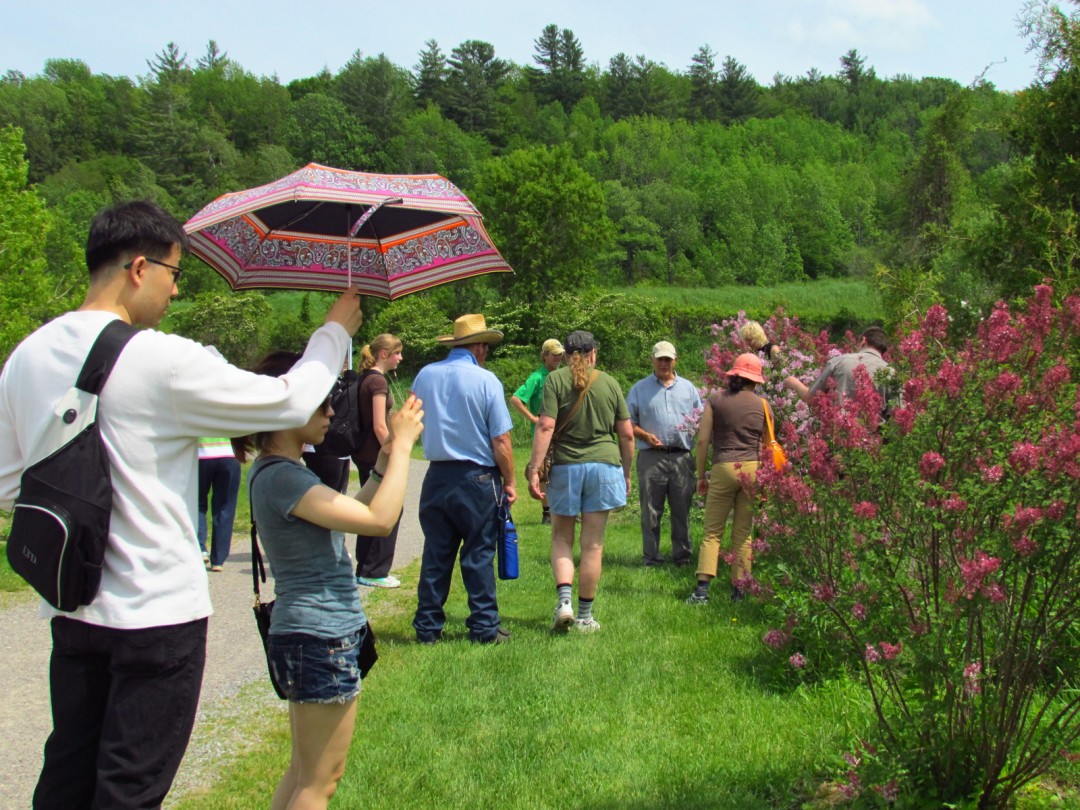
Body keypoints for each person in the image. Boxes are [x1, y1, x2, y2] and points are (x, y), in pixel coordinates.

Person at [0, 200, 363, 809]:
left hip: (73, 609)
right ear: (139, 267)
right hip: (156, 617)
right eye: (174, 275)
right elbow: (286, 403)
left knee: (66, 778)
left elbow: (12, 484)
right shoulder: (160, 358)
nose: (174, 293)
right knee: (130, 789)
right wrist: (334, 331)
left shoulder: (27, 357)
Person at [237, 351, 423, 810]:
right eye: (320, 404)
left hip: (306, 634)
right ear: (286, 409)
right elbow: (379, 521)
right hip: (319, 636)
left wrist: (380, 465)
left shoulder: (280, 472)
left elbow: (350, 514)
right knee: (321, 782)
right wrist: (401, 449)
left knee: (303, 773)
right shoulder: (282, 476)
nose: (331, 412)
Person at [410, 314, 515, 645]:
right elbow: (501, 440)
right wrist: (510, 481)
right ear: (480, 347)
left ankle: (427, 627)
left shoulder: (425, 375)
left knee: (436, 552)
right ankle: (484, 626)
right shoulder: (486, 381)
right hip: (477, 477)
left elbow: (410, 419)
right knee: (479, 552)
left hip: (437, 474)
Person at [526, 330, 634, 633]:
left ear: (567, 354)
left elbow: (546, 425)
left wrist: (535, 468)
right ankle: (585, 616)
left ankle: (564, 603)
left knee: (561, 538)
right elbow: (626, 434)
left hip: (567, 467)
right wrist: (626, 472)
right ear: (593, 354)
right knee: (593, 546)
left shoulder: (554, 380)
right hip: (604, 466)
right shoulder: (610, 382)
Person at [686, 353, 773, 605]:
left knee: (712, 532)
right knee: (743, 533)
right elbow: (769, 446)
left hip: (724, 467)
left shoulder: (716, 400)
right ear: (755, 380)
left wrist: (701, 475)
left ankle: (702, 592)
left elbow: (702, 441)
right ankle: (740, 592)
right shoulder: (764, 406)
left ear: (734, 375)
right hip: (753, 468)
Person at [625, 340, 703, 567]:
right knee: (650, 510)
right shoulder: (640, 389)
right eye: (660, 359)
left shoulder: (689, 389)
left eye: (668, 359)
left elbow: (701, 420)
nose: (664, 363)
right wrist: (645, 436)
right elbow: (628, 423)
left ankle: (683, 556)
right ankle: (651, 557)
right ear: (653, 360)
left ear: (675, 360)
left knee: (682, 509)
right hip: (651, 457)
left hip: (681, 456)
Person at [353, 333, 406, 589]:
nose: (400, 358)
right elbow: (378, 425)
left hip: (363, 454)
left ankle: (365, 567)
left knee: (369, 509)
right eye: (397, 353)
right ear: (384, 354)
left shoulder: (365, 378)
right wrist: (393, 451)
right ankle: (374, 570)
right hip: (376, 456)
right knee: (390, 508)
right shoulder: (378, 382)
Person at [509, 338, 564, 524]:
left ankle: (564, 510)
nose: (558, 357)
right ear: (545, 356)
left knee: (562, 471)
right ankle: (547, 513)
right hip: (543, 435)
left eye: (560, 354)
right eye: (554, 354)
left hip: (562, 434)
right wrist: (533, 418)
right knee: (542, 472)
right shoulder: (537, 377)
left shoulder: (564, 375)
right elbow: (516, 399)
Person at [784, 326, 891, 403]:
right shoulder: (891, 372)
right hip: (875, 433)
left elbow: (811, 398)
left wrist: (794, 383)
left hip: (838, 431)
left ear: (863, 341)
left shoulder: (839, 361)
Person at [303, 362, 356, 493]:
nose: (330, 411)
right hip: (321, 447)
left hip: (337, 444)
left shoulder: (340, 382)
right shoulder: (322, 384)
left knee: (338, 491)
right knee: (328, 490)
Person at [196, 436, 242, 572]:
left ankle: (200, 548)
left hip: (200, 455)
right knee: (225, 506)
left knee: (197, 503)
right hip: (229, 454)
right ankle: (218, 559)